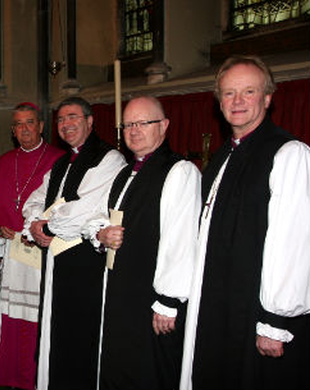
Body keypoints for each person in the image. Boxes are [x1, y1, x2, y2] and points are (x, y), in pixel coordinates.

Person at [180, 55, 310, 390]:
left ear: (267, 98)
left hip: (257, 313)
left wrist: (274, 320)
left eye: (248, 92)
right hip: (218, 305)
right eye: (228, 93)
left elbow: (292, 243)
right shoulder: (224, 156)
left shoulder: (289, 153)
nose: (237, 101)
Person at [92, 96, 200, 389]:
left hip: (152, 299)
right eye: (128, 124)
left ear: (163, 126)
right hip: (120, 293)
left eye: (143, 123)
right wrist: (101, 235)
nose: (134, 130)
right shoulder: (124, 173)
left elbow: (182, 238)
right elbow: (99, 218)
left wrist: (167, 301)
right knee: (120, 365)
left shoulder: (180, 171)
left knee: (148, 371)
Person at [22, 96, 126, 390]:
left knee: (80, 337)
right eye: (61, 119)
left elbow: (83, 211)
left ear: (90, 121)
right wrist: (34, 222)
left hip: (84, 265)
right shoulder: (61, 162)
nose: (66, 124)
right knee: (56, 334)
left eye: (73, 117)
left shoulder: (109, 158)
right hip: (56, 263)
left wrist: (45, 224)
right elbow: (35, 199)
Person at [0, 102, 64, 390]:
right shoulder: (6, 161)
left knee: (38, 315)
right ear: (13, 130)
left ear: (41, 126)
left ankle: (38, 377)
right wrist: (1, 228)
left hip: (42, 253)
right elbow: (1, 213)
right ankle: (13, 376)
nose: (24, 129)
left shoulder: (59, 159)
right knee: (13, 317)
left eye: (30, 122)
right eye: (18, 124)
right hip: (14, 253)